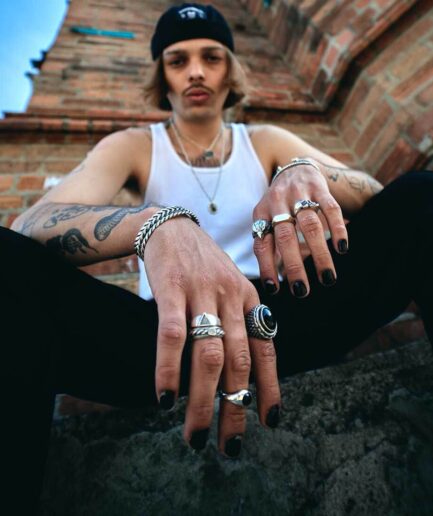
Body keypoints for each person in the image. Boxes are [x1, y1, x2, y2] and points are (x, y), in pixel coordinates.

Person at [1, 3, 432, 514]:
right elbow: (30, 224)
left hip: (281, 317)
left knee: (423, 197)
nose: (196, 72)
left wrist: (304, 170)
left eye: (211, 57)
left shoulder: (265, 140)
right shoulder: (134, 146)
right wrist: (155, 224)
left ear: (231, 71)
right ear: (162, 77)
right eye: (178, 60)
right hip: (168, 340)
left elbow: (384, 197)